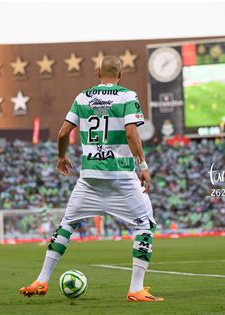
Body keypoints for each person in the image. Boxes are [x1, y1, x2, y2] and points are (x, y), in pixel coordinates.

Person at [19, 56, 164, 302]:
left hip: (90, 177)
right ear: (121, 73)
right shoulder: (127, 96)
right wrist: (143, 165)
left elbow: (63, 132)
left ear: (98, 72)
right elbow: (131, 132)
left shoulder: (82, 97)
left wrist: (62, 157)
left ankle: (41, 281)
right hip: (121, 176)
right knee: (145, 225)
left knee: (66, 224)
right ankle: (136, 289)